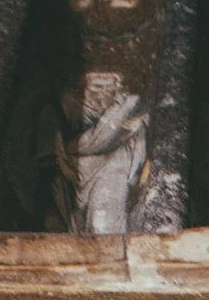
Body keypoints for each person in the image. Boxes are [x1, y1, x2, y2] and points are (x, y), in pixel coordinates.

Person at [53, 70, 148, 235]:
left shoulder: (128, 105)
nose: (102, 92)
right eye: (97, 86)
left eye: (108, 87)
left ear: (117, 87)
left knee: (104, 216)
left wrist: (139, 125)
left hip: (115, 168)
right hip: (81, 167)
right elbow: (85, 143)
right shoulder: (73, 106)